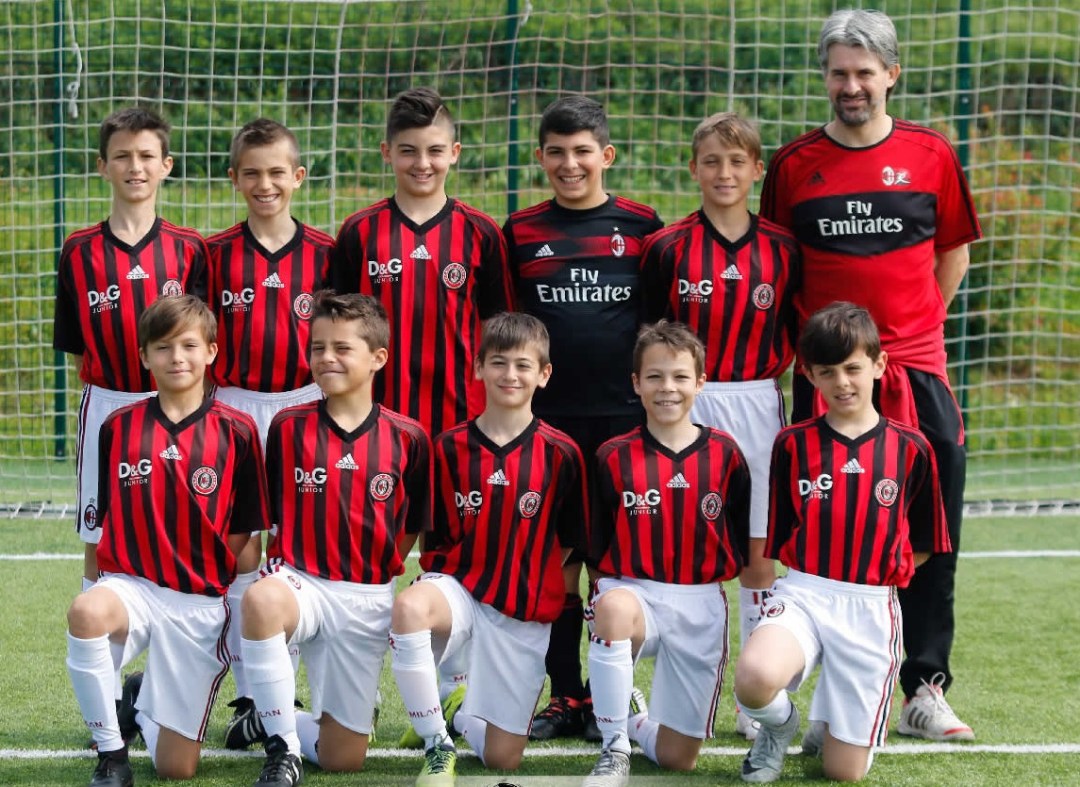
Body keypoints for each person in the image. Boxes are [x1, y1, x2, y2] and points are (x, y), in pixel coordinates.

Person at [759, 9, 981, 742]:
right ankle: (814, 685)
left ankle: (924, 685)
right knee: (821, 528)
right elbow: (780, 267)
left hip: (914, 371)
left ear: (891, 73)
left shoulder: (931, 155)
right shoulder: (794, 166)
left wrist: (907, 340)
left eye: (863, 72)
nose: (850, 86)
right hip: (825, 381)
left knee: (930, 527)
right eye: (838, 72)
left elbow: (953, 253)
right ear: (825, 77)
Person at [733, 301, 951, 783]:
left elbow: (924, 542)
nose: (842, 382)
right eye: (827, 371)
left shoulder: (911, 448)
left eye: (853, 368)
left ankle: (828, 724)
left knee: (843, 772)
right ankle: (780, 726)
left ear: (879, 365)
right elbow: (784, 533)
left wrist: (870, 571)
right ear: (809, 375)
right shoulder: (791, 443)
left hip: (869, 606)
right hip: (804, 593)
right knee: (753, 679)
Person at [502, 95, 663, 742]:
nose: (570, 164)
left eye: (582, 151)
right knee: (553, 562)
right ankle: (564, 692)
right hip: (548, 423)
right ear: (541, 156)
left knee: (613, 563)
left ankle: (608, 694)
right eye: (557, 152)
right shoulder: (519, 232)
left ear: (607, 155)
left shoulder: (645, 226)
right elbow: (509, 330)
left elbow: (656, 327)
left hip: (623, 421)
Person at [64, 295, 270, 787]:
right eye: (162, 347)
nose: (176, 357)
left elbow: (248, 543)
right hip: (132, 587)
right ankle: (111, 757)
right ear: (144, 357)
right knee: (87, 612)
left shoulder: (237, 431)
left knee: (176, 769)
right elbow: (104, 519)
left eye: (188, 345)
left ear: (211, 353)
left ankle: (142, 698)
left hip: (195, 604)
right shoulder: (118, 427)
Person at [639, 111, 800, 740]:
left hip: (759, 400)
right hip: (685, 400)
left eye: (737, 162)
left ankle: (757, 697)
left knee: (759, 550)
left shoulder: (785, 249)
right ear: (694, 169)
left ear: (757, 170)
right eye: (712, 161)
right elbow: (651, 336)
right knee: (678, 541)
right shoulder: (667, 247)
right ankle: (672, 689)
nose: (724, 173)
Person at [238, 291, 432, 787]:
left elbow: (412, 523)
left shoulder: (408, 437)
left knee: (343, 757)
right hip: (300, 582)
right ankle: (282, 750)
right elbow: (273, 515)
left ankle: (269, 717)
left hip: (365, 597)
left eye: (342, 348)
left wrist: (384, 560)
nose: (327, 358)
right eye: (318, 347)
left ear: (378, 358)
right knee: (261, 599)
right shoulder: (287, 427)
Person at [389, 312, 587, 786]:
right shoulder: (448, 447)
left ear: (544, 374)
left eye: (523, 365)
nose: (510, 375)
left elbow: (572, 542)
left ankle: (458, 713)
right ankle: (437, 742)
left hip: (520, 610)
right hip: (459, 592)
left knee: (503, 759)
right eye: (498, 363)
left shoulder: (562, 452)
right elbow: (433, 539)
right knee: (412, 608)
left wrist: (526, 573)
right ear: (478, 367)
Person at [205, 118, 334, 750]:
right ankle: (249, 693)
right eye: (251, 172)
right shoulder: (213, 254)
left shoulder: (326, 252)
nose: (265, 183)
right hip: (230, 407)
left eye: (277, 172)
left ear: (298, 177)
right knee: (239, 547)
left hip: (304, 407)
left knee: (300, 547)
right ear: (234, 179)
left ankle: (294, 689)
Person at [583, 320, 751, 787]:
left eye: (679, 376)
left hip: (700, 601)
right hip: (633, 592)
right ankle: (614, 748)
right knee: (613, 608)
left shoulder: (727, 454)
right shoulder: (612, 456)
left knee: (679, 759)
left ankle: (634, 718)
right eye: (654, 376)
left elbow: (736, 533)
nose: (667, 388)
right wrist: (602, 600)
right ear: (636, 383)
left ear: (700, 382)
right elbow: (598, 546)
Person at [53, 106, 208, 587]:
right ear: (102, 166)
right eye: (122, 156)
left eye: (146, 155)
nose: (135, 167)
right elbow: (79, 347)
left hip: (179, 408)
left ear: (167, 164)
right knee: (100, 535)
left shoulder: (189, 249)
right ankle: (100, 656)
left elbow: (201, 340)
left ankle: (169, 659)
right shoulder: (79, 250)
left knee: (179, 526)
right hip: (107, 405)